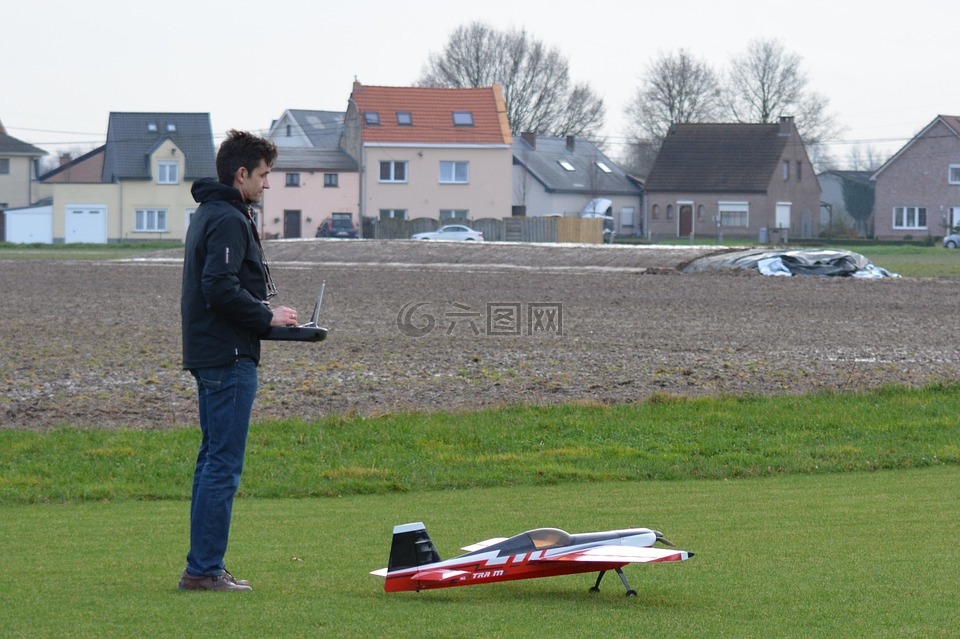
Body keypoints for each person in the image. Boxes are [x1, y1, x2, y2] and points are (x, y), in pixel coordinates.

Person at [178, 130, 298, 592]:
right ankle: (204, 570)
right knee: (222, 464)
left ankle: (203, 565)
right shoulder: (227, 218)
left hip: (212, 353)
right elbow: (220, 287)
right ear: (241, 174)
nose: (267, 185)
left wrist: (267, 322)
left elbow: (221, 288)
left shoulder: (209, 212)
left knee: (211, 461)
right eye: (263, 175)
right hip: (227, 357)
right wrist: (267, 316)